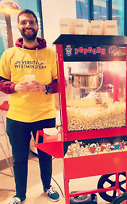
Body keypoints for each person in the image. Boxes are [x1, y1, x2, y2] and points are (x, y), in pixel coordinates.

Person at [0, 9, 60, 204]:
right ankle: (20, 195)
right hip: (17, 117)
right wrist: (14, 86)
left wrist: (46, 87)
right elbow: (1, 82)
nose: (28, 26)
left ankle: (47, 186)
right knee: (19, 159)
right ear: (19, 26)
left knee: (46, 155)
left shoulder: (51, 54)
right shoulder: (9, 54)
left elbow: (60, 83)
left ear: (37, 25)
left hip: (46, 115)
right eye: (24, 22)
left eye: (31, 22)